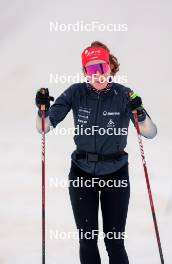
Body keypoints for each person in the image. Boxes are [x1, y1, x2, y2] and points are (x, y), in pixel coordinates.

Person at [35, 41, 157, 264]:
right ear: (85, 72)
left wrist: (139, 112)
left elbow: (150, 132)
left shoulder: (124, 95)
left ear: (110, 67)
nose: (98, 75)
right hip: (82, 171)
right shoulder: (75, 93)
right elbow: (44, 127)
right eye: (91, 69)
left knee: (114, 241)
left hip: (116, 171)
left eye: (102, 67)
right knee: (87, 239)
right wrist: (41, 110)